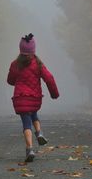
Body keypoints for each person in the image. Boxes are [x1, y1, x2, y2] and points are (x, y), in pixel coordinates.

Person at [7, 33, 59, 162]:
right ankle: (39, 133)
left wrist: (18, 81)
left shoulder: (15, 64)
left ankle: (29, 148)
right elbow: (49, 78)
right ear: (33, 50)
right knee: (34, 115)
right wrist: (54, 94)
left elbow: (10, 80)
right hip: (34, 98)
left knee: (26, 124)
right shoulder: (38, 63)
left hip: (20, 98)